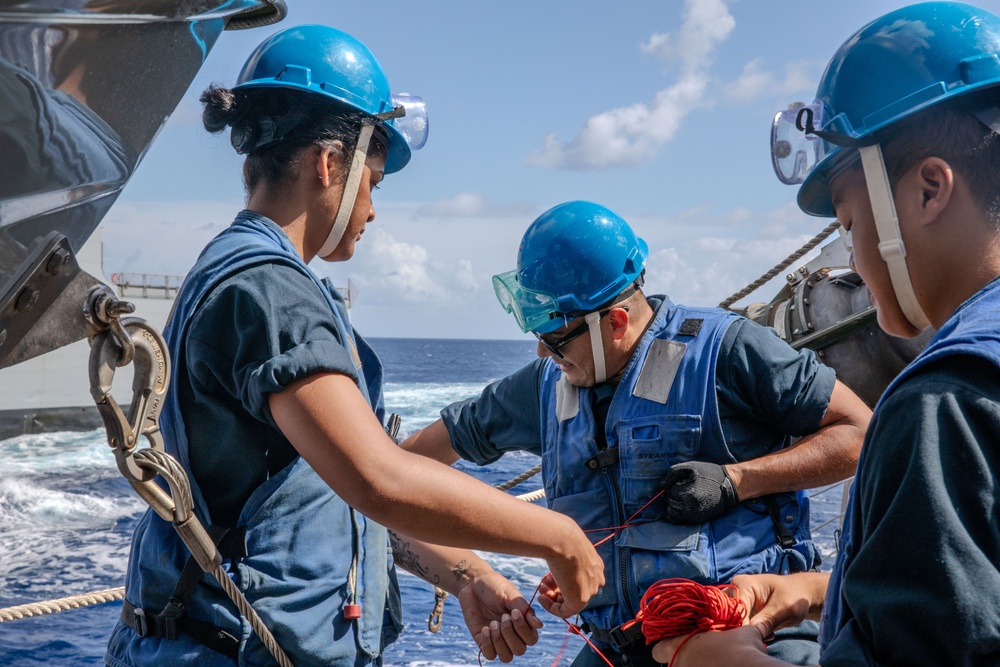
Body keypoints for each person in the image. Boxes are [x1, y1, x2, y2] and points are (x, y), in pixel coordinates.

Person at [104, 25, 604, 667]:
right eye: (374, 181)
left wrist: (468, 576)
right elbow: (378, 478)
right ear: (330, 163)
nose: (372, 210)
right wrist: (558, 536)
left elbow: (338, 492)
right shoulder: (269, 288)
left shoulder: (247, 272)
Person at [649, 2, 1000, 665]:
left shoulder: (941, 403)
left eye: (848, 222)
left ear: (929, 191)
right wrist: (815, 588)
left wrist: (720, 661)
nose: (852, 258)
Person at [401, 200, 872, 666]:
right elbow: (405, 467)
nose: (543, 354)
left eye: (556, 339)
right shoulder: (544, 386)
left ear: (617, 322)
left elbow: (859, 432)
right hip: (617, 649)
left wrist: (739, 480)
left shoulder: (728, 350)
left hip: (751, 637)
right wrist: (473, 577)